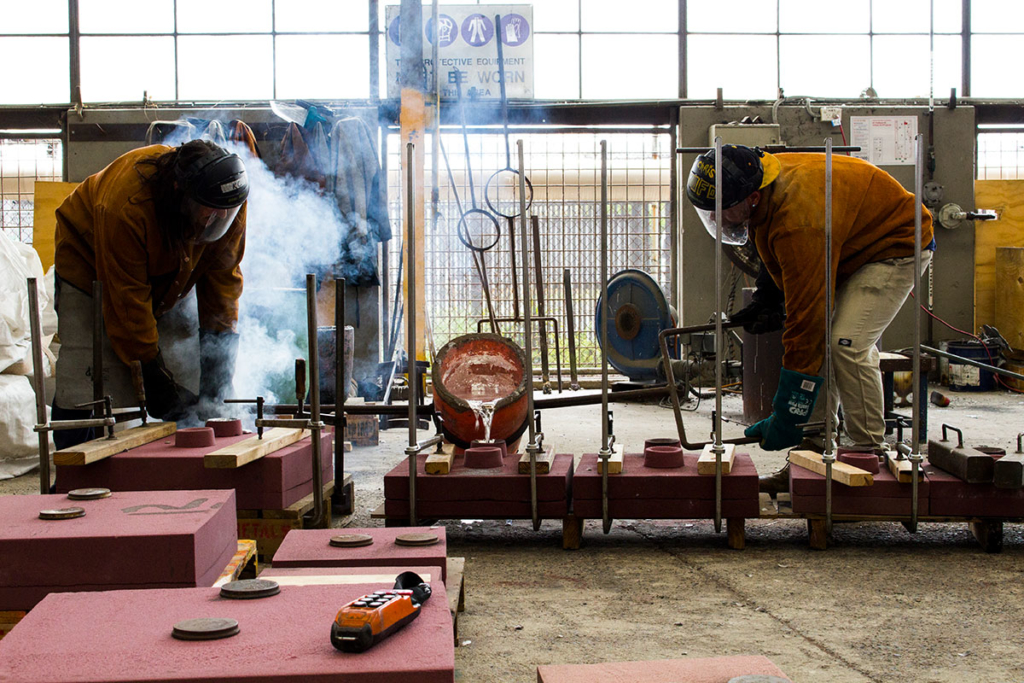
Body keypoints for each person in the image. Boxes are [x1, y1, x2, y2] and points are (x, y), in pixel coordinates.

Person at [685, 144, 934, 491]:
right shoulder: (762, 182)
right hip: (847, 241)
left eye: (720, 211)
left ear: (752, 198)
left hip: (893, 244)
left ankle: (867, 454)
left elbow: (807, 323)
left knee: (844, 344)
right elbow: (774, 243)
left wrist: (789, 412)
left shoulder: (799, 220)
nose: (715, 220)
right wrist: (767, 296)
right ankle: (814, 451)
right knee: (822, 346)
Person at [52, 139, 249, 449]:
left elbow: (223, 283)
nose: (218, 220)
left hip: (172, 271)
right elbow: (127, 304)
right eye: (209, 215)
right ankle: (71, 464)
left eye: (224, 215)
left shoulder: (227, 198)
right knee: (87, 378)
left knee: (186, 377)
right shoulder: (126, 206)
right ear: (180, 193)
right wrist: (154, 378)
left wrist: (217, 377)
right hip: (90, 266)